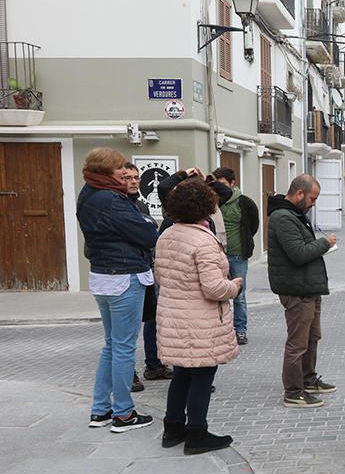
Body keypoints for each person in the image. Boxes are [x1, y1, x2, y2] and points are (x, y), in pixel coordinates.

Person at [155, 178, 242, 454]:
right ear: (206, 207)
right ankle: (196, 433)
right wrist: (235, 286)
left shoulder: (167, 235)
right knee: (203, 376)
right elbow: (214, 287)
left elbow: (161, 276)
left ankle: (172, 428)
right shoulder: (202, 241)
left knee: (182, 373)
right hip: (199, 320)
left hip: (174, 316)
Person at [76, 147, 158, 432]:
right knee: (123, 347)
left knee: (111, 345)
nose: (124, 172)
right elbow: (149, 234)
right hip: (124, 277)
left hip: (103, 276)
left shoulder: (88, 192)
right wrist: (146, 221)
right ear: (105, 171)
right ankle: (123, 414)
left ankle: (100, 410)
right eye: (119, 168)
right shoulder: (111, 199)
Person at [267, 175, 338, 408]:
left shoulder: (294, 215)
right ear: (299, 194)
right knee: (297, 343)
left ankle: (308, 379)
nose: (313, 203)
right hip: (296, 289)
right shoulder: (282, 217)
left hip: (308, 286)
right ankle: (293, 392)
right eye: (312, 198)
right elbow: (298, 253)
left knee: (311, 337)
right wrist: (325, 243)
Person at [122, 162, 172, 386]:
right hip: (124, 275)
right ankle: (127, 373)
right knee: (127, 331)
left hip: (146, 271)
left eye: (136, 177)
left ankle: (153, 365)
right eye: (127, 177)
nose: (133, 181)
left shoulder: (140, 207)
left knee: (151, 319)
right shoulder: (115, 207)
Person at [212, 166, 260, 345]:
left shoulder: (244, 202)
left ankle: (240, 330)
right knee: (217, 294)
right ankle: (221, 331)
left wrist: (244, 242)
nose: (220, 187)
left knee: (239, 295)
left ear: (232, 183)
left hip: (238, 255)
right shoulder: (214, 202)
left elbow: (253, 224)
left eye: (223, 184)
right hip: (216, 255)